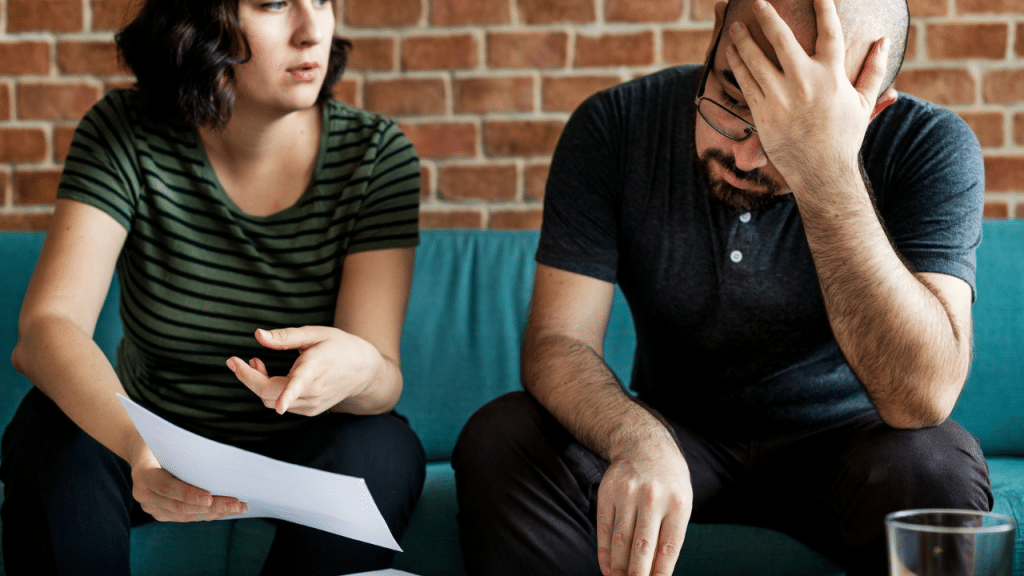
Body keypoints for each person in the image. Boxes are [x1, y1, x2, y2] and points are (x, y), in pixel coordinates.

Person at [452, 0, 992, 575]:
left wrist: (824, 171)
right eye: (734, 99)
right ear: (717, 30)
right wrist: (640, 442)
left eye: (789, 130)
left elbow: (922, 398)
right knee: (503, 438)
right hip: (675, 435)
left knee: (938, 468)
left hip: (847, 446)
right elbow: (558, 342)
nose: (745, 153)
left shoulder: (932, 146)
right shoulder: (614, 125)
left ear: (873, 111)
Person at [2, 0, 425, 574]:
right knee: (48, 427)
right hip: (151, 429)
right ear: (201, 21)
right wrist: (139, 447)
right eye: (275, 3)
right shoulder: (125, 131)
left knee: (383, 445)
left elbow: (383, 379)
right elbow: (47, 327)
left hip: (306, 447)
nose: (311, 31)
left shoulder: (375, 154)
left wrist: (363, 367)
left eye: (321, 0)